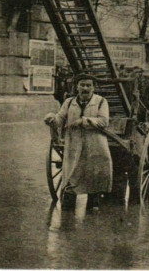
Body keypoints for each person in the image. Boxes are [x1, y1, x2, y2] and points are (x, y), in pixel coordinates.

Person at [44, 73, 111, 211]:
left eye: (88, 85)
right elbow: (59, 119)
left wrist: (84, 121)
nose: (85, 88)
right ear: (77, 87)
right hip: (74, 145)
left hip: (95, 145)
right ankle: (67, 214)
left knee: (94, 176)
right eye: (82, 85)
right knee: (71, 175)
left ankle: (93, 208)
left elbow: (104, 121)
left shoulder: (101, 101)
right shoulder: (69, 102)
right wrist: (51, 119)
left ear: (93, 88)